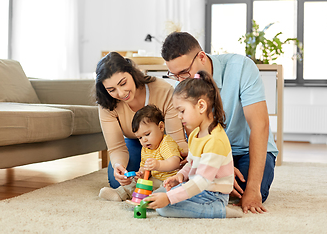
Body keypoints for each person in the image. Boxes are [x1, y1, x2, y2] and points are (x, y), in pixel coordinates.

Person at [160, 31, 278, 214]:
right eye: (175, 76)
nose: (181, 81)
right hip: (211, 152)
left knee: (247, 192)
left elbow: (260, 126)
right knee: (182, 182)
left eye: (184, 72)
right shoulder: (184, 85)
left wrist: (251, 189)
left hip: (246, 150)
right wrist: (217, 169)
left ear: (201, 57)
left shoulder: (242, 68)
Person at [145, 71, 242, 218]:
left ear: (201, 106)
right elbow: (192, 163)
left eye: (182, 111)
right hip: (198, 187)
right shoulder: (196, 133)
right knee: (157, 195)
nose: (179, 116)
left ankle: (218, 210)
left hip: (212, 195)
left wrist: (170, 198)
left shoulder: (215, 140)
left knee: (165, 208)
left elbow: (202, 181)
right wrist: (180, 176)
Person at [95, 52, 188, 189]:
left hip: (165, 143)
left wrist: (186, 157)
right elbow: (117, 148)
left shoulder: (163, 90)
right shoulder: (107, 104)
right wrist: (118, 166)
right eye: (111, 89)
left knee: (177, 173)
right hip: (135, 143)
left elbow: (176, 141)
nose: (121, 93)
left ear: (132, 73)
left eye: (123, 83)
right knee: (119, 181)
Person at [98, 104, 182, 201]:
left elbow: (175, 162)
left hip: (168, 181)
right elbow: (144, 166)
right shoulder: (146, 148)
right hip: (154, 179)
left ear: (161, 127)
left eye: (147, 134)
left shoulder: (166, 142)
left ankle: (152, 199)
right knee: (136, 184)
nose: (144, 140)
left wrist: (158, 165)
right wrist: (141, 173)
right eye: (140, 138)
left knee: (163, 191)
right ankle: (120, 193)